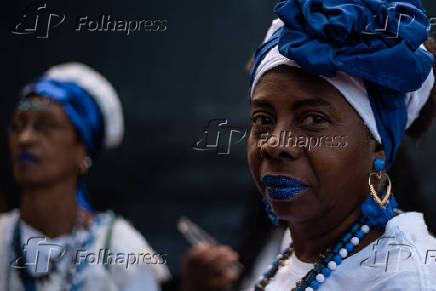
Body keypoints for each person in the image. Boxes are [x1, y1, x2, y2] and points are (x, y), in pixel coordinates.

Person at [184, 0, 436, 290]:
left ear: (377, 147)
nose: (275, 144)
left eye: (314, 119)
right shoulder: (297, 243)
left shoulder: (404, 279)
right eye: (263, 119)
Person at [0, 63, 170, 291]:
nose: (25, 138)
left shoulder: (119, 249)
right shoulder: (3, 238)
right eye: (18, 126)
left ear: (83, 148)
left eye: (45, 126)